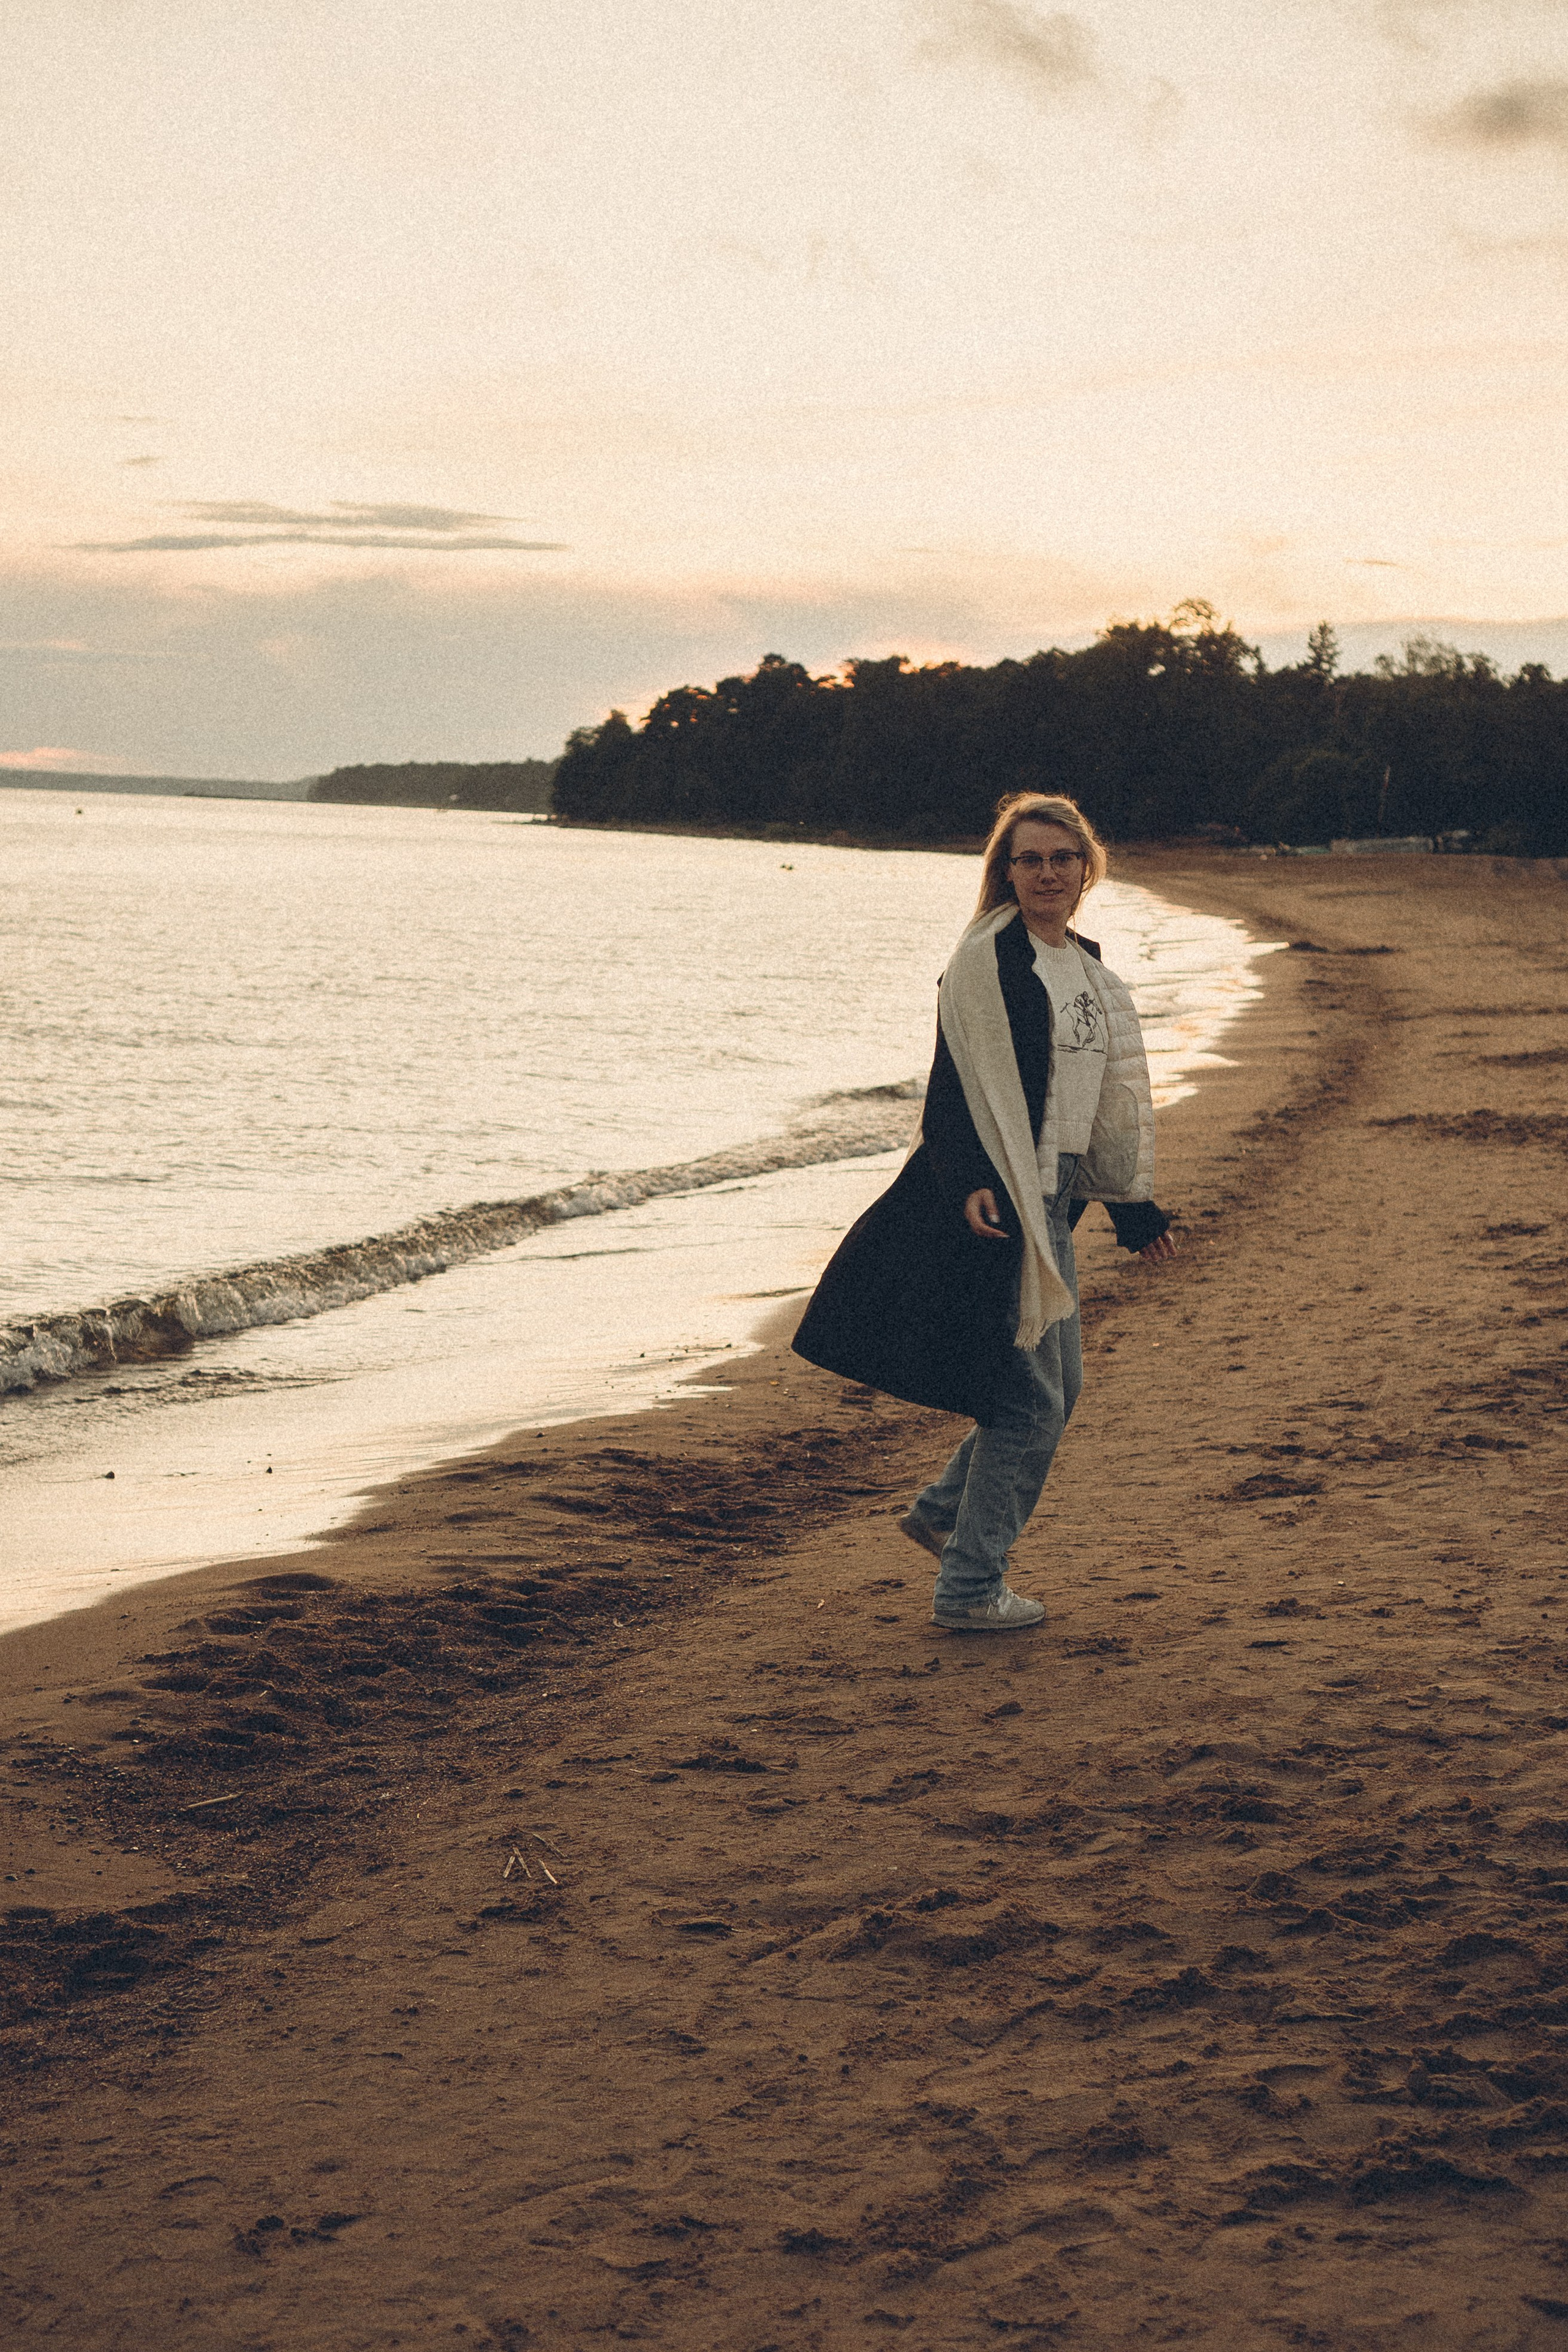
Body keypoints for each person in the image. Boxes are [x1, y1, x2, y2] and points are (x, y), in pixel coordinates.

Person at [791, 791, 1175, 1631]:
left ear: (1086, 869)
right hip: (1000, 1198)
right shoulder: (982, 963)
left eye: (1062, 858)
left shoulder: (1084, 963)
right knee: (1028, 1403)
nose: (1047, 873)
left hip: (1056, 1196)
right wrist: (970, 1177)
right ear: (1006, 870)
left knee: (1058, 1390)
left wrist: (1131, 1207)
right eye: (1029, 859)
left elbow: (1099, 1103)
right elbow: (952, 1086)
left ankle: (942, 1513)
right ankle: (969, 1587)